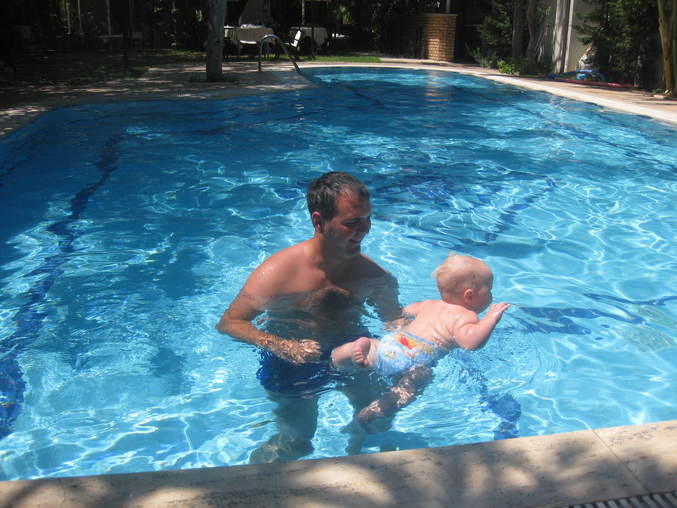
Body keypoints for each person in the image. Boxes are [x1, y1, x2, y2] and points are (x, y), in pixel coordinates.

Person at [216, 171, 402, 462]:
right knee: (296, 441)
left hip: (354, 352)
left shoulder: (375, 276)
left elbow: (395, 322)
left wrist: (422, 344)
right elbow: (230, 322)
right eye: (351, 222)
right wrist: (281, 346)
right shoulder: (278, 273)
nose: (364, 229)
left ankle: (359, 459)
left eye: (367, 219)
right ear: (318, 221)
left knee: (377, 422)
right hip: (293, 361)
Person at [330, 253, 510, 427]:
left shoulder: (428, 305)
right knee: (415, 383)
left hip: (395, 341)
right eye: (489, 289)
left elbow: (404, 312)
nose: (491, 295)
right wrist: (491, 319)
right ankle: (377, 410)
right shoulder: (466, 317)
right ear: (469, 295)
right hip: (415, 356)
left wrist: (399, 323)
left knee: (372, 348)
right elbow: (471, 343)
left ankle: (345, 354)